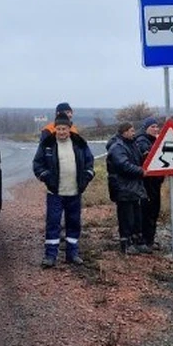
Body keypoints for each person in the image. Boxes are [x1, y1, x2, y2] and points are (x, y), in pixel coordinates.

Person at [33, 111, 95, 267]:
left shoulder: (80, 143)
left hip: (74, 192)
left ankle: (72, 254)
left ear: (69, 129)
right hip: (55, 193)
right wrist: (46, 176)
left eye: (64, 129)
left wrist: (87, 176)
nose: (61, 132)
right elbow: (37, 165)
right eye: (59, 129)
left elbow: (89, 162)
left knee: (74, 223)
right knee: (53, 223)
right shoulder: (47, 144)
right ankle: (50, 256)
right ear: (55, 129)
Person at [106, 122, 149, 255]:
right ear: (124, 132)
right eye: (131, 130)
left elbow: (137, 159)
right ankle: (126, 242)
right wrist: (141, 171)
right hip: (122, 186)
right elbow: (123, 165)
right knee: (126, 216)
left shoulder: (132, 144)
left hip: (133, 186)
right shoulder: (117, 147)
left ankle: (137, 240)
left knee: (136, 215)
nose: (133, 133)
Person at [135, 116, 162, 249]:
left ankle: (150, 240)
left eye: (157, 126)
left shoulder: (153, 141)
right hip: (147, 184)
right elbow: (149, 161)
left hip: (155, 183)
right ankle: (145, 241)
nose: (156, 129)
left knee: (153, 211)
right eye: (152, 127)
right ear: (146, 128)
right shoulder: (142, 141)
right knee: (147, 212)